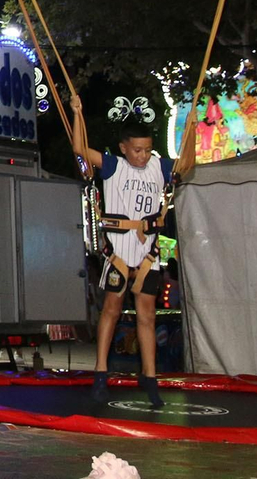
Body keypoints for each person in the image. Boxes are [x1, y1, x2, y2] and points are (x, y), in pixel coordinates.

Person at [72, 94, 178, 408]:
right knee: (112, 309)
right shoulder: (114, 167)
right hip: (119, 252)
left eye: (147, 149)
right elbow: (80, 148)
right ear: (123, 148)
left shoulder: (159, 166)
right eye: (137, 150)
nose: (143, 156)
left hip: (147, 255)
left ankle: (150, 376)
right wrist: (77, 114)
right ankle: (100, 373)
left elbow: (187, 164)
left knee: (147, 315)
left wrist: (194, 131)